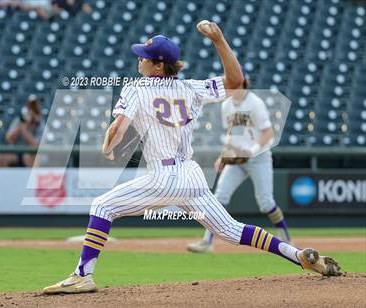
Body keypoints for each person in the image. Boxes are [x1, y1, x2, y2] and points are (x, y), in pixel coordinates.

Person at [43, 22, 341, 294]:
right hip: (191, 176)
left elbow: (118, 127)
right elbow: (236, 81)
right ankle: (297, 255)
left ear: (158, 65)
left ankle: (83, 274)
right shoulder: (191, 88)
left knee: (102, 205)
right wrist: (219, 39)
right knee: (230, 229)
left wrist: (108, 147)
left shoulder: (136, 88)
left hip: (163, 177)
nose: (139, 60)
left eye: (145, 56)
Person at [187, 74, 292, 253]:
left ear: (241, 82)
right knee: (219, 197)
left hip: (259, 158)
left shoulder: (255, 103)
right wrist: (223, 156)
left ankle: (285, 237)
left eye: (232, 81)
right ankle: (207, 242)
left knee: (266, 202)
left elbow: (268, 134)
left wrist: (250, 152)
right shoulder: (227, 104)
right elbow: (232, 133)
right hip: (236, 158)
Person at [0, 95, 44, 167]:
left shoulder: (40, 124)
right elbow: (9, 139)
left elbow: (36, 145)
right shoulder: (20, 120)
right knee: (1, 157)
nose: (31, 111)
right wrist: (22, 125)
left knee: (31, 158)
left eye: (34, 108)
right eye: (30, 107)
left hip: (31, 153)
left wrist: (25, 129)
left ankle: (30, 178)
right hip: (15, 151)